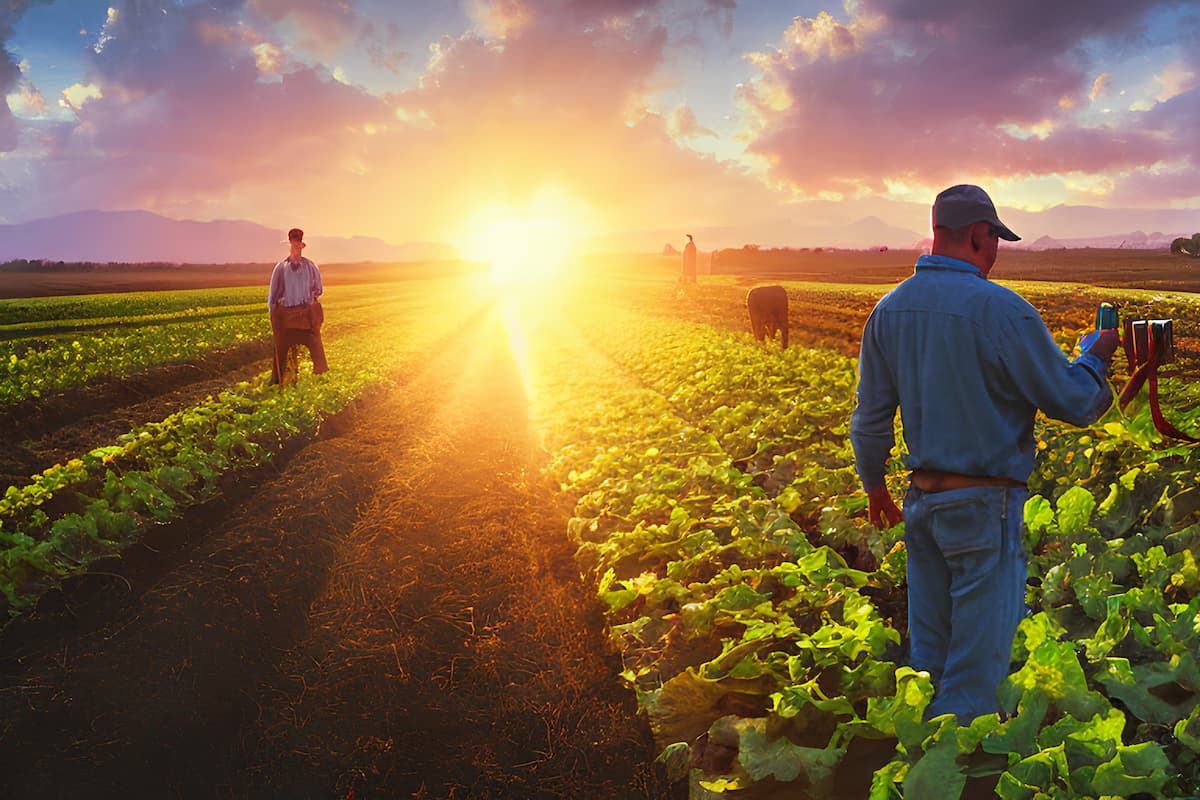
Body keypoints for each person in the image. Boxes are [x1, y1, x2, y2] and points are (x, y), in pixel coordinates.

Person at [849, 184, 1120, 723]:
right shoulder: (1002, 311)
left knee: (930, 659)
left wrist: (875, 486)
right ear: (978, 235)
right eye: (993, 238)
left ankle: (923, 760)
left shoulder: (889, 309)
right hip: (982, 511)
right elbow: (1074, 402)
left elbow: (871, 415)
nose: (995, 251)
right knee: (976, 678)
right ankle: (963, 771)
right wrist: (1095, 358)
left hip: (920, 505)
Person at [268, 227, 328, 385]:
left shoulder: (311, 267)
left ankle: (321, 382)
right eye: (293, 244)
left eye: (298, 244)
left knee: (318, 354)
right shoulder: (280, 268)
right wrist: (273, 318)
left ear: (301, 246)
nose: (295, 247)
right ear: (290, 245)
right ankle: (277, 383)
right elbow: (273, 297)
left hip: (306, 319)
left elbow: (319, 290)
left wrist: (309, 301)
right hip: (286, 319)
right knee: (279, 357)